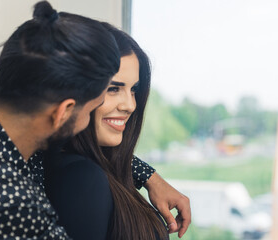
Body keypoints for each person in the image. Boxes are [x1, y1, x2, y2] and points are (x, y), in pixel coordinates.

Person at [0, 1, 190, 239]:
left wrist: (147, 175)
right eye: (100, 98)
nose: (129, 106)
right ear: (62, 113)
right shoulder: (17, 210)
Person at [44, 23, 190, 240]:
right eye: (113, 89)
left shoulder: (87, 168)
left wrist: (148, 176)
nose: (130, 105)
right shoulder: (83, 178)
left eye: (133, 90)